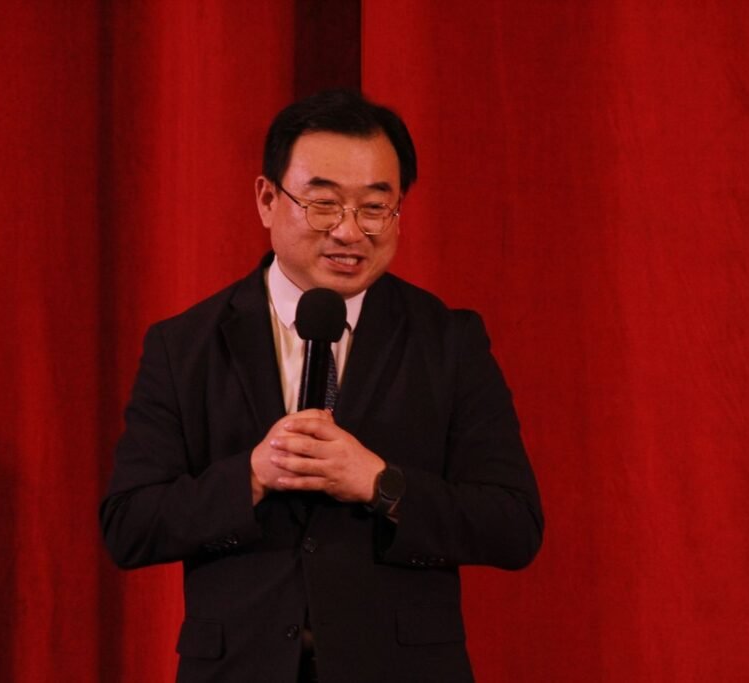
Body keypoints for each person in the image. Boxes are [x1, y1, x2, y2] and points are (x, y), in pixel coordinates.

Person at [100, 90, 543, 683]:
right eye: (324, 205)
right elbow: (129, 525)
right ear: (267, 200)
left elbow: (513, 525)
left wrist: (381, 484)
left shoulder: (448, 341)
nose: (350, 232)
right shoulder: (184, 346)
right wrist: (252, 475)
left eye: (374, 208)